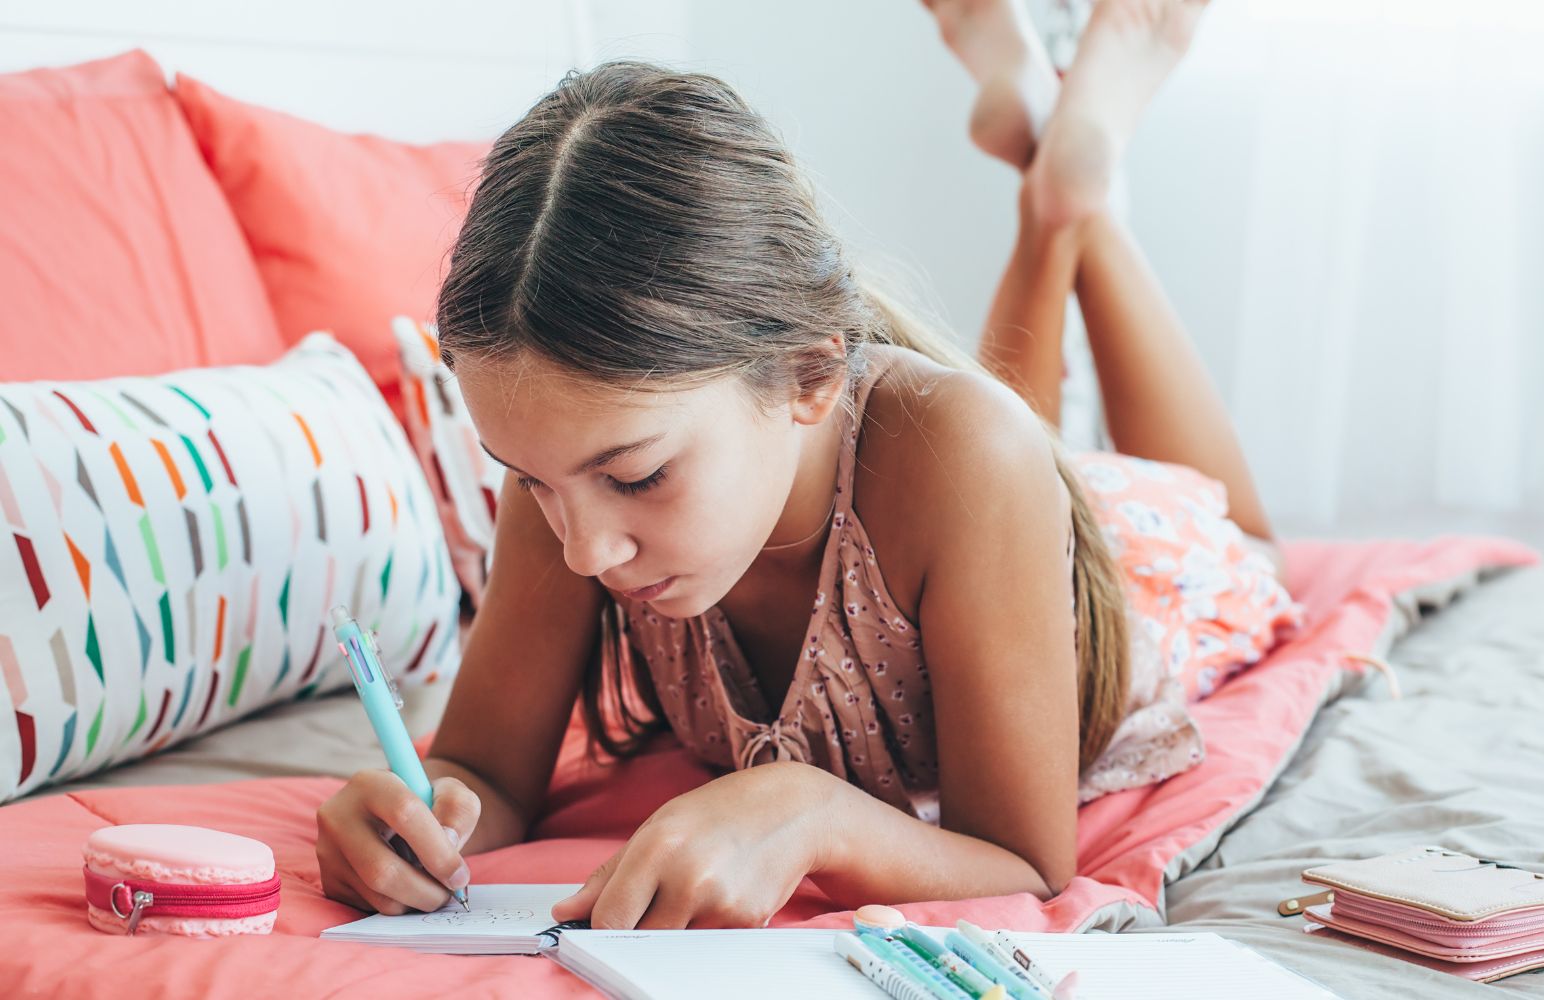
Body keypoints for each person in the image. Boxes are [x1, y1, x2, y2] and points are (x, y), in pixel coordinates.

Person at [315, 0, 1299, 930]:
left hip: (1128, 566)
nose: (584, 551)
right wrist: (417, 825)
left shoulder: (966, 457)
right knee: (999, 437)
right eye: (529, 479)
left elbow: (1028, 864)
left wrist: (810, 812)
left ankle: (1078, 198)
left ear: (808, 374)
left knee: (1226, 534)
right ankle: (1055, 168)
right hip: (975, 494)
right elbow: (484, 769)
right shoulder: (573, 469)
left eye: (640, 476)